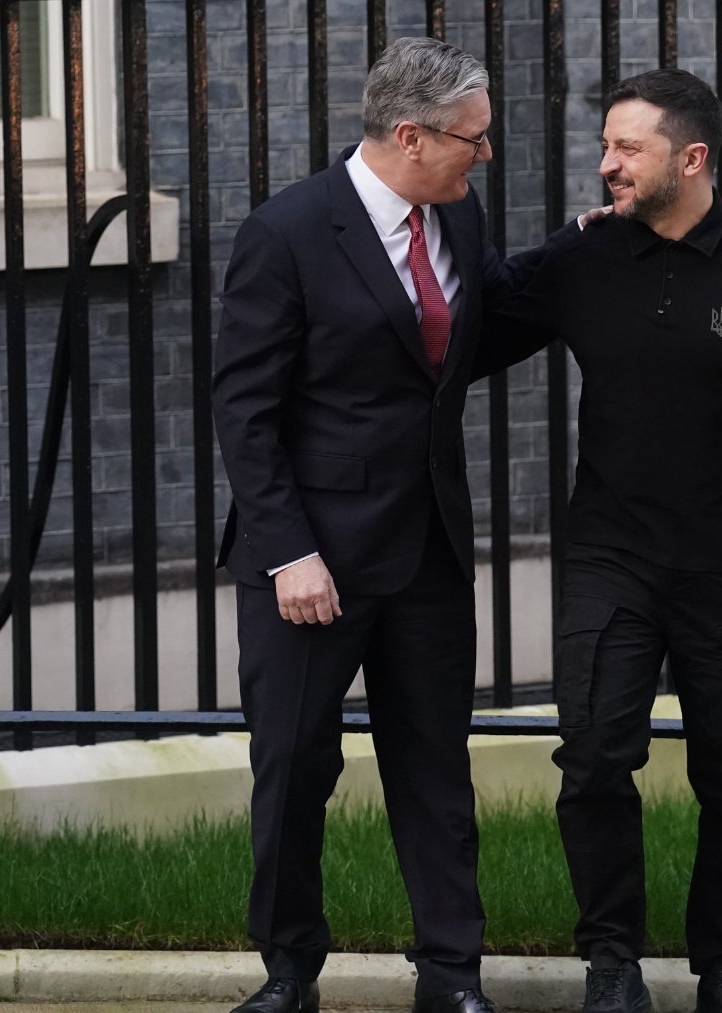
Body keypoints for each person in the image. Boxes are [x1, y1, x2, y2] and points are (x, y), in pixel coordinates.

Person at [485, 69, 722, 1013]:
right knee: (596, 757)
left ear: (691, 158)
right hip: (610, 555)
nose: (606, 164)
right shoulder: (586, 259)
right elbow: (476, 329)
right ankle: (611, 963)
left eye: (628, 149)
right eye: (606, 145)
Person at [212, 35, 542, 1013]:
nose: (484, 156)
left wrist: (585, 258)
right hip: (314, 563)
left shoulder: (454, 211)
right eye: (471, 140)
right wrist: (289, 553)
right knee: (296, 767)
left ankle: (451, 977)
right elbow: (246, 408)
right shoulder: (289, 232)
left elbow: (463, 340)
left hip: (428, 549)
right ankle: (288, 972)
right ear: (411, 135)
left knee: (436, 768)